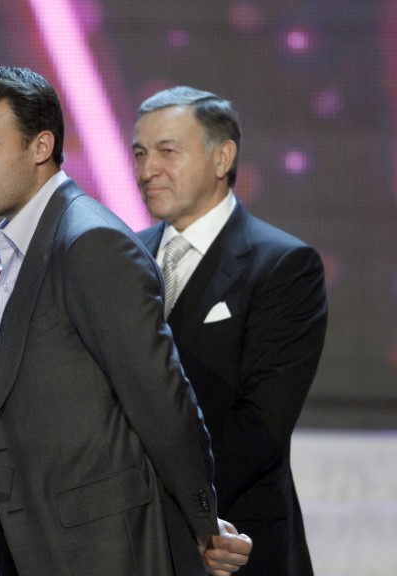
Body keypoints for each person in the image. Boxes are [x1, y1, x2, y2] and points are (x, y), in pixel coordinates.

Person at [0, 66, 252, 576]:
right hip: (45, 540)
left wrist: (201, 521)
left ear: (40, 146)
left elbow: (160, 397)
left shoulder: (89, 242)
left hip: (105, 547)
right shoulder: (25, 244)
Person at [133, 86, 327, 576]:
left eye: (167, 151)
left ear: (223, 157)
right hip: (136, 538)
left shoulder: (282, 264)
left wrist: (181, 509)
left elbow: (260, 425)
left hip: (234, 541)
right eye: (139, 152)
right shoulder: (123, 257)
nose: (146, 169)